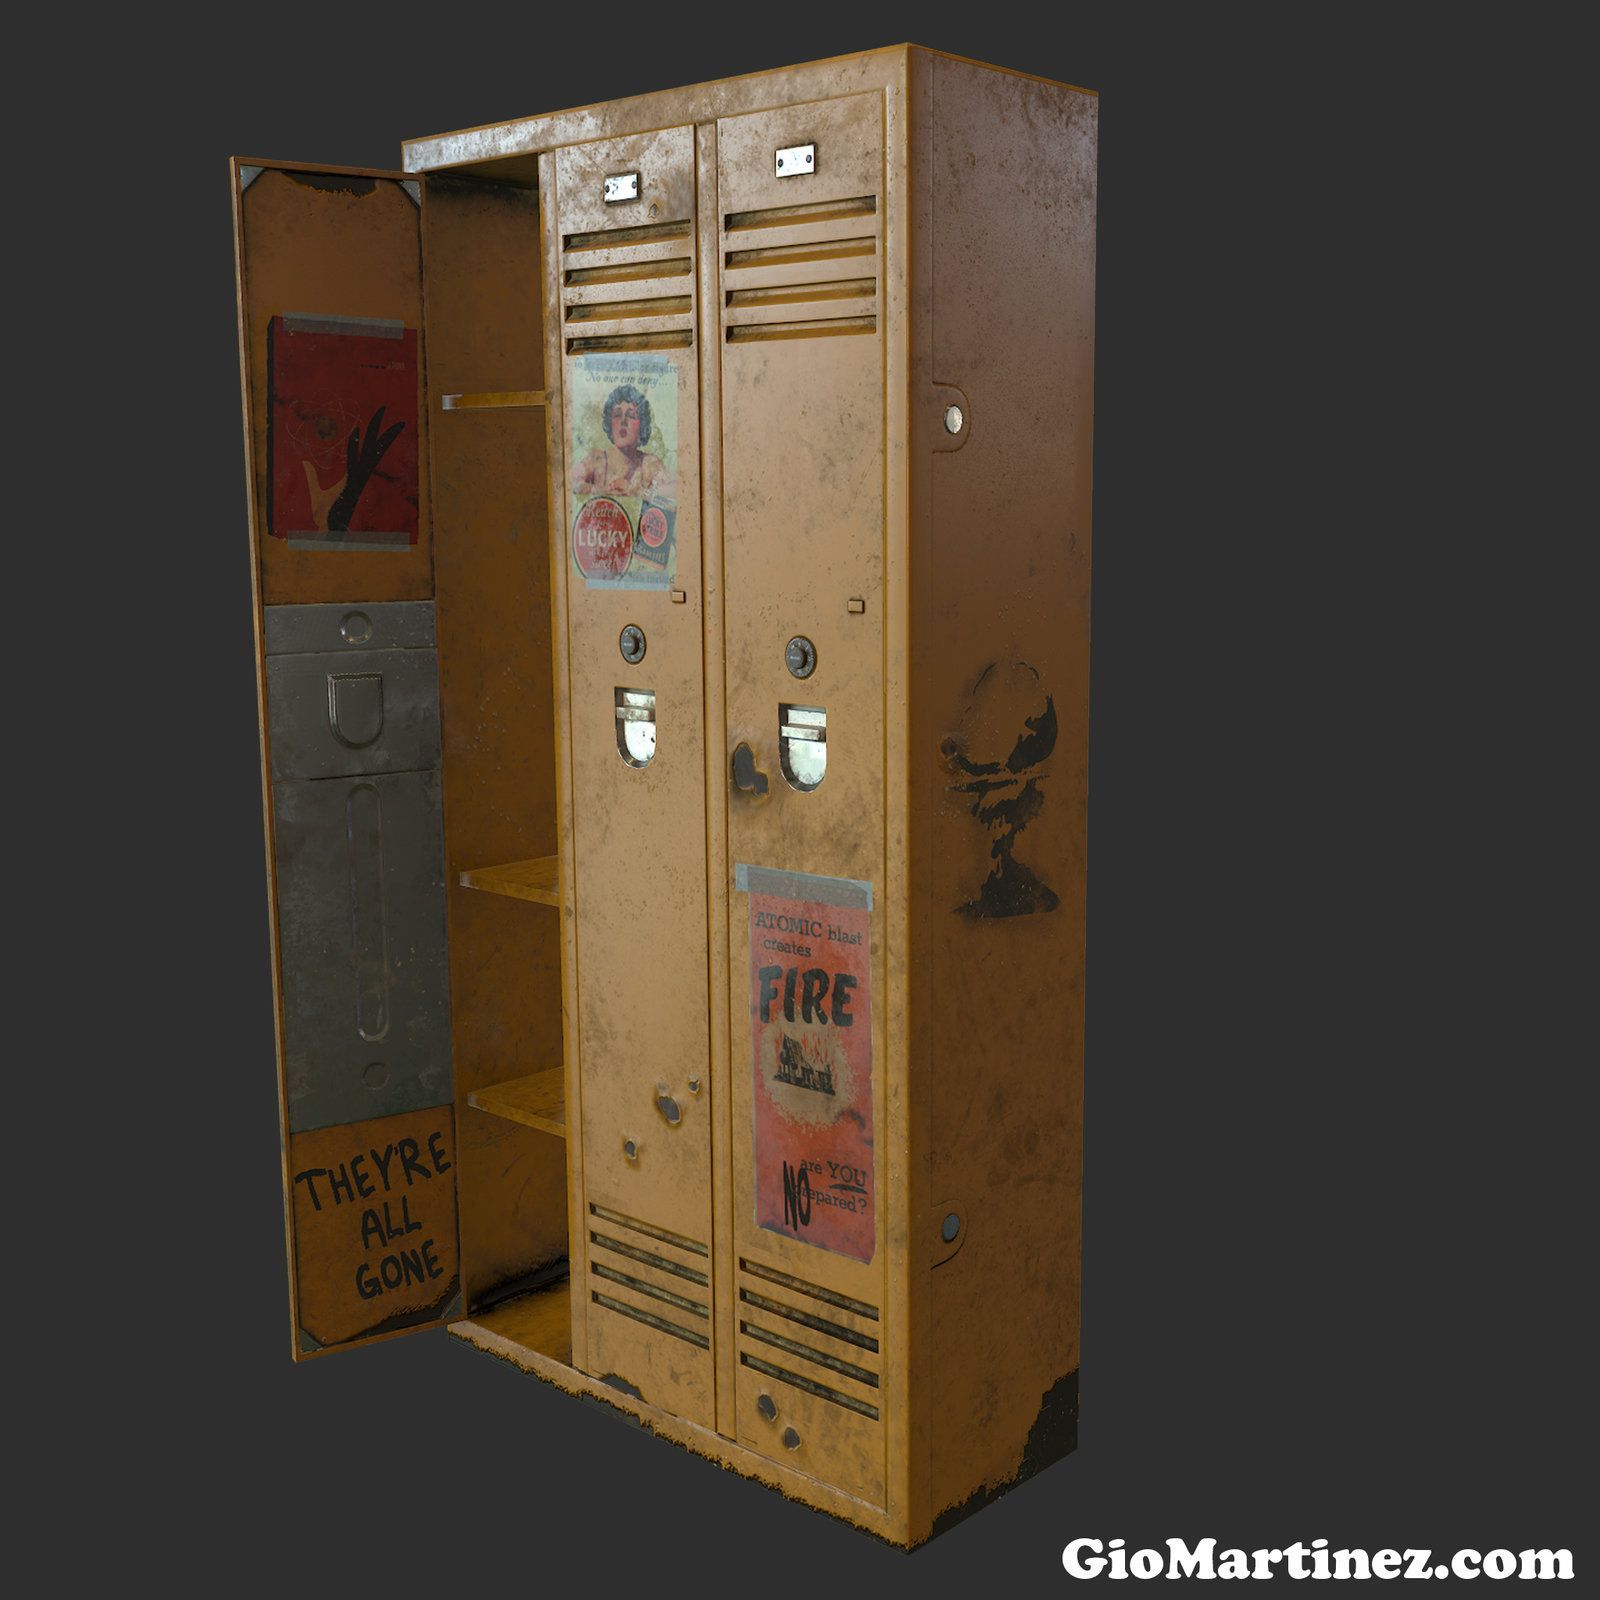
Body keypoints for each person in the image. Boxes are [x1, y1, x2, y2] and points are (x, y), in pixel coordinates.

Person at [571, 383, 672, 497]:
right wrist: (602, 491)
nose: (623, 421)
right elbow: (570, 483)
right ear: (610, 423)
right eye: (617, 415)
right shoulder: (596, 460)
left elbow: (675, 492)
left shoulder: (648, 464)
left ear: (641, 425)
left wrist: (637, 492)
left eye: (631, 415)